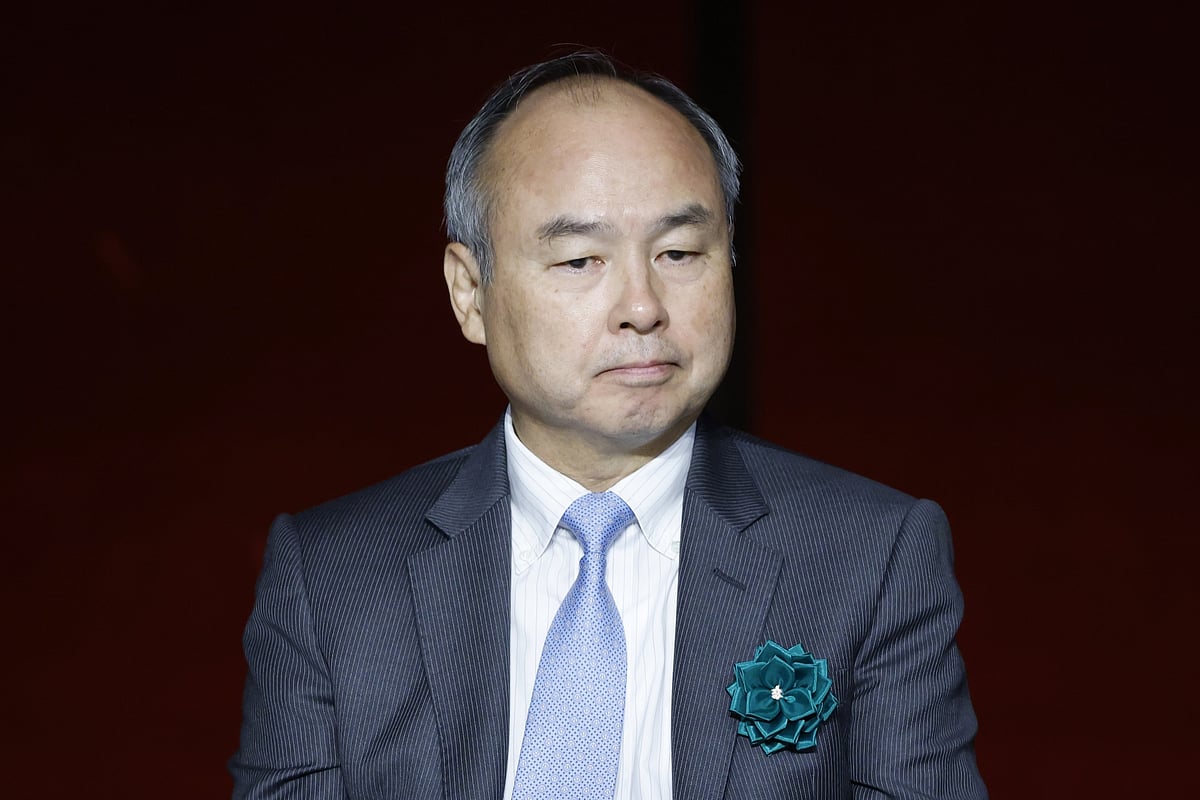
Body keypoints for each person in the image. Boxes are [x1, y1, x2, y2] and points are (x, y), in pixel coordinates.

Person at [230, 51, 987, 799]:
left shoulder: (869, 557)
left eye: (679, 252)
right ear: (470, 293)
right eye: (581, 260)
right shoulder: (334, 578)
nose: (643, 306)